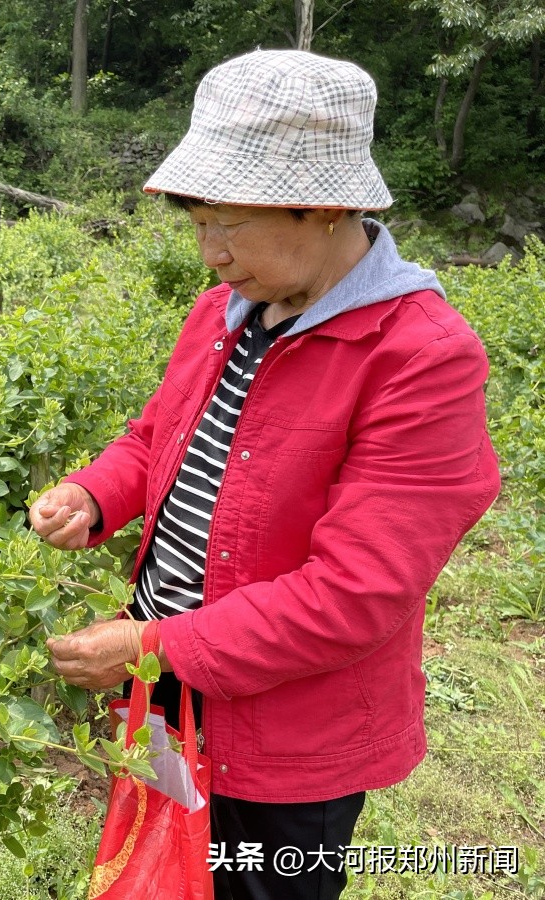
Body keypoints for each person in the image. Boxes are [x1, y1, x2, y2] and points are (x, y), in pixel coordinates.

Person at [29, 49, 500, 900]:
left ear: (324, 207)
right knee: (169, 868)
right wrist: (94, 492)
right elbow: (157, 437)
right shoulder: (227, 310)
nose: (209, 253)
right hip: (174, 701)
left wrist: (150, 645)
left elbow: (354, 593)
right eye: (197, 221)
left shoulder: (421, 358)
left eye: (230, 223)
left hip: (290, 742)